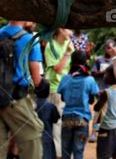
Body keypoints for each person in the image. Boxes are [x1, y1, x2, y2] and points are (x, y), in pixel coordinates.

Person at [0, 20, 45, 159]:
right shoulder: (30, 40)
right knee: (32, 137)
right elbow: (37, 80)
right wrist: (42, 87)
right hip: (15, 100)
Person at [57, 51, 100, 159]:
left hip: (67, 118)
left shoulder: (65, 78)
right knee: (78, 151)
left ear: (72, 61)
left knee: (65, 150)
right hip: (82, 118)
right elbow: (92, 100)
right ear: (85, 62)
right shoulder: (89, 80)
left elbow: (62, 97)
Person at [44, 27, 73, 156]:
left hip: (66, 89)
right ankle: (58, 154)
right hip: (54, 90)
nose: (71, 32)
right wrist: (67, 53)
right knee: (55, 123)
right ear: (60, 30)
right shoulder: (51, 46)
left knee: (61, 123)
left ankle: (59, 153)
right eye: (68, 29)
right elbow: (58, 69)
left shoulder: (69, 44)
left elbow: (72, 67)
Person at [94, 67, 116, 159]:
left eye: (107, 74)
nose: (104, 76)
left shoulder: (106, 92)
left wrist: (99, 97)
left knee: (103, 154)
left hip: (106, 128)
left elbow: (97, 108)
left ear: (113, 77)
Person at [34, 79, 61, 159]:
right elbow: (56, 120)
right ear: (48, 92)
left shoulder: (32, 106)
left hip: (34, 137)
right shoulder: (51, 106)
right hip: (47, 139)